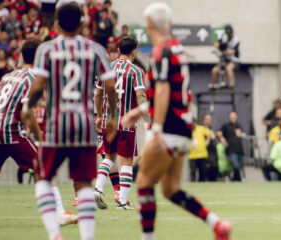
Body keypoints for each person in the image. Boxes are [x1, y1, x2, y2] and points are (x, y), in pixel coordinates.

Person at [121, 2, 232, 240]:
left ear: (148, 24)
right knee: (170, 189)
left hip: (168, 128)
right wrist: (139, 111)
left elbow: (162, 91)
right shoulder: (177, 48)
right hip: (184, 128)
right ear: (169, 24)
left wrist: (156, 128)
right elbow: (171, 91)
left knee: (143, 181)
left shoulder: (161, 51)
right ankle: (217, 224)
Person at [21, 4, 117, 240]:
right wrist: (111, 116)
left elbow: (38, 85)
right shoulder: (95, 49)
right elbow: (111, 87)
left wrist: (27, 106)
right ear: (83, 24)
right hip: (84, 126)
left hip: (56, 125)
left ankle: (54, 234)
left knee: (43, 178)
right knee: (84, 183)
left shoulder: (47, 49)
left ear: (56, 25)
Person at [0, 39, 78, 228]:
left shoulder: (8, 76)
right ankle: (59, 213)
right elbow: (28, 111)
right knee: (45, 166)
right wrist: (40, 137)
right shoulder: (34, 78)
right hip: (11, 131)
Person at [94, 36, 147, 210]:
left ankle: (98, 188)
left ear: (118, 49)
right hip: (126, 122)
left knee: (109, 156)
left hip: (109, 121)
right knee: (127, 161)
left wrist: (99, 116)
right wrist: (146, 119)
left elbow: (97, 94)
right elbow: (140, 95)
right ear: (134, 51)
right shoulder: (135, 71)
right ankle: (122, 202)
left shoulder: (107, 67)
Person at [210, 24, 240, 89]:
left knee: (229, 68)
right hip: (225, 60)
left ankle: (231, 86)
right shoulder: (224, 37)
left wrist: (224, 53)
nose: (229, 36)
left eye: (230, 34)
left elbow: (233, 52)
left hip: (234, 60)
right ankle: (214, 85)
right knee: (214, 70)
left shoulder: (236, 40)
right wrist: (219, 46)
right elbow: (216, 44)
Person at [221, 111, 245, 181]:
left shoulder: (239, 126)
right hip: (231, 150)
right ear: (229, 117)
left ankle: (235, 179)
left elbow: (243, 134)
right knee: (235, 165)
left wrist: (241, 134)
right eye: (232, 116)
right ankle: (237, 179)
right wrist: (222, 138)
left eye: (234, 116)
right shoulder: (226, 126)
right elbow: (219, 133)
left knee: (240, 165)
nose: (233, 118)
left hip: (239, 150)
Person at [188, 117, 211, 182]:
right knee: (193, 172)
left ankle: (202, 186)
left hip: (202, 154)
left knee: (202, 172)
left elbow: (209, 133)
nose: (192, 124)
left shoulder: (201, 128)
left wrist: (207, 141)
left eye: (193, 123)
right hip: (192, 155)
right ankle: (192, 185)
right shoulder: (188, 129)